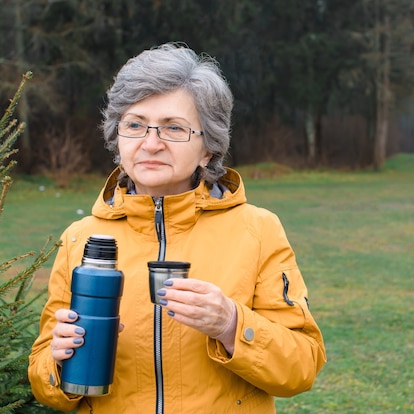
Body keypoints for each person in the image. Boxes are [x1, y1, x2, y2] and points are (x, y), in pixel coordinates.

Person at [28, 43, 326, 413]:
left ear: (208, 149)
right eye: (135, 125)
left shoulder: (257, 230)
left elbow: (302, 368)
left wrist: (231, 324)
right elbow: (46, 384)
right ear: (117, 139)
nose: (151, 143)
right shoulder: (81, 238)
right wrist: (58, 360)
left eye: (174, 128)